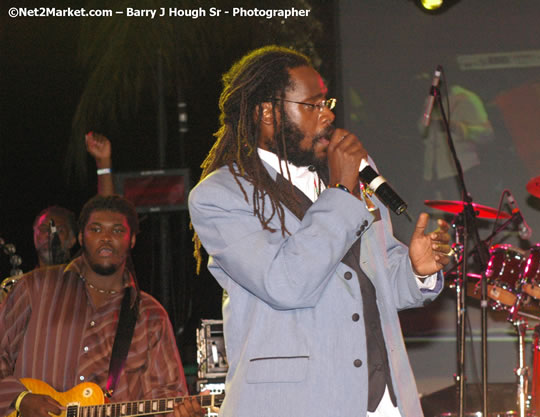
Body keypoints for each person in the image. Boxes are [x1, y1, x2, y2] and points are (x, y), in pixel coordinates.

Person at [188, 45, 452, 417]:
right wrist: (341, 191)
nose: (328, 115)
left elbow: (378, 281)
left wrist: (415, 271)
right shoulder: (221, 196)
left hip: (385, 402)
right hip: (297, 404)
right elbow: (286, 283)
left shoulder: (354, 171)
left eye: (327, 101)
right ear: (268, 112)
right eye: (313, 105)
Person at [0, 195, 204, 417]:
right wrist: (20, 399)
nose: (106, 238)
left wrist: (182, 414)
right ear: (80, 236)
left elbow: (166, 397)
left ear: (132, 240)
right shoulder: (34, 289)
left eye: (117, 230)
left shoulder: (151, 315)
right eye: (96, 229)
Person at [30, 132, 115, 269]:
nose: (51, 236)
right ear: (34, 235)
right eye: (44, 229)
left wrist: (103, 163)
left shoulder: (80, 277)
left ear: (73, 240)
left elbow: (106, 214)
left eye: (60, 230)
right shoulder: (21, 284)